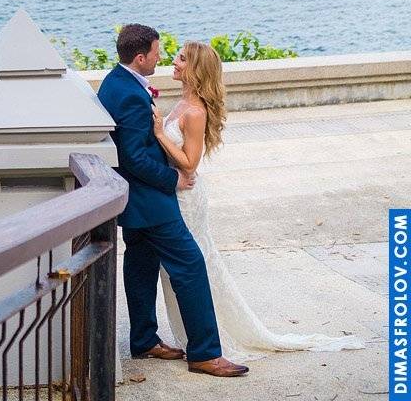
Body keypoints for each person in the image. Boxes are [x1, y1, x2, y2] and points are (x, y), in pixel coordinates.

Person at [153, 41, 365, 357]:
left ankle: (209, 336)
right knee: (176, 269)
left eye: (181, 59)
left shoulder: (195, 112)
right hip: (175, 192)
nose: (174, 61)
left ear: (195, 69)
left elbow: (190, 163)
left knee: (192, 265)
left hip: (187, 197)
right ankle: (192, 334)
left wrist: (159, 133)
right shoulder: (183, 102)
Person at [98, 23, 248, 378]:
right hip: (152, 200)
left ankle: (144, 340)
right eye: (157, 51)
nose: (163, 58)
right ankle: (205, 353)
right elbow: (134, 156)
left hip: (135, 198)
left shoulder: (114, 82)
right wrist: (173, 179)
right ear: (140, 57)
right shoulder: (131, 94)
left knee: (140, 265)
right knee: (191, 265)